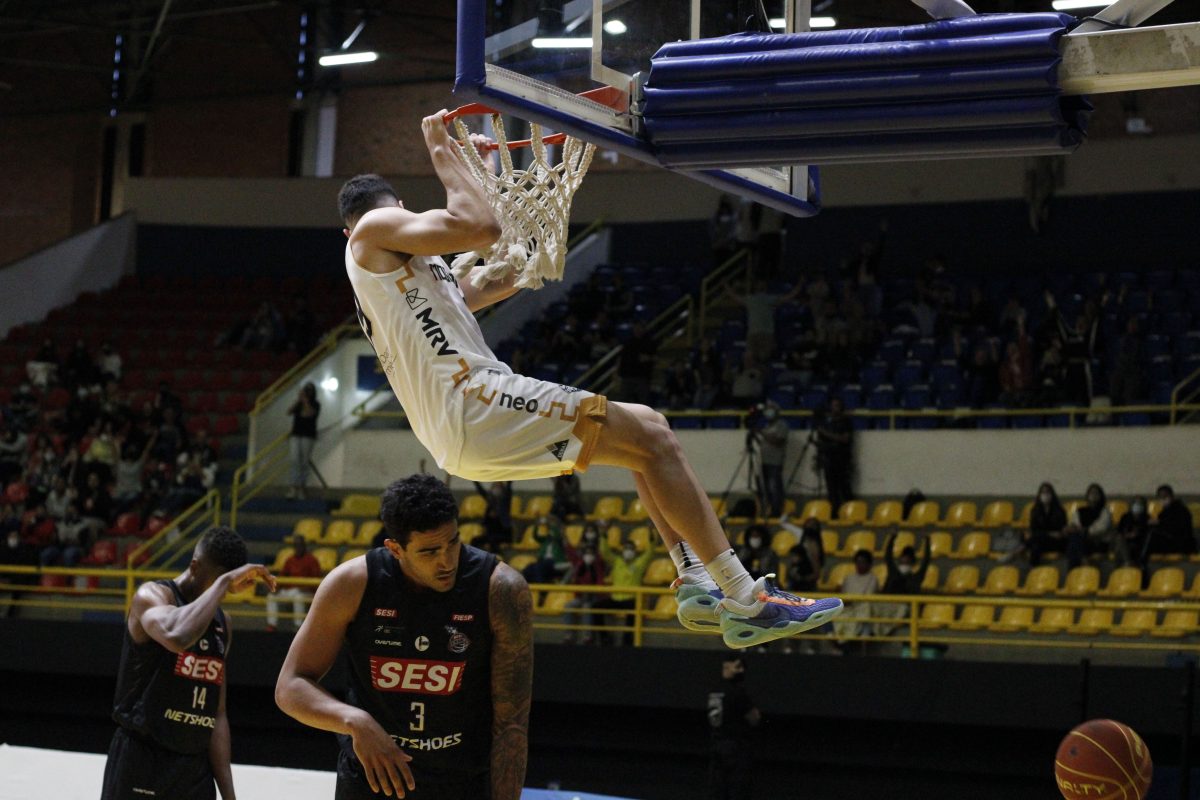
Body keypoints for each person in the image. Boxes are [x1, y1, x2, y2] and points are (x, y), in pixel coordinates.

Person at [337, 111, 841, 650]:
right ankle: (745, 599)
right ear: (385, 215)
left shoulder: (413, 274)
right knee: (652, 441)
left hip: (463, 426)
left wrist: (488, 176)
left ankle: (696, 577)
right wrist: (443, 150)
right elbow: (477, 228)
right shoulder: (370, 233)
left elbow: (495, 274)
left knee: (649, 432)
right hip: (473, 404)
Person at [275, 474, 532, 800]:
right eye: (429, 551)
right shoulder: (351, 584)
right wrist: (354, 720)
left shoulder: (501, 589)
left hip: (460, 782)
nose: (447, 561)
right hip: (371, 781)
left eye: (453, 542)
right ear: (395, 549)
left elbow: (512, 724)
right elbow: (290, 686)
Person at [100, 526, 276, 800]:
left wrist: (229, 794)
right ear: (194, 566)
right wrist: (222, 583)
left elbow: (217, 715)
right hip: (143, 758)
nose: (221, 592)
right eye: (218, 581)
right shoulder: (152, 596)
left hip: (193, 768)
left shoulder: (223, 624)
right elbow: (177, 636)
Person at [707, 656, 760, 800]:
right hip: (736, 748)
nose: (741, 670)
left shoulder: (715, 690)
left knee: (718, 789)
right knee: (738, 789)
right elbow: (754, 718)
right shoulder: (737, 692)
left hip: (717, 745)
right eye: (737, 667)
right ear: (727, 666)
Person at [596, 533, 655, 646]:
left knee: (633, 613)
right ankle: (604, 637)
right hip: (615, 599)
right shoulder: (616, 561)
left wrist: (652, 537)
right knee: (596, 607)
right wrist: (603, 535)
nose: (628, 551)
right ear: (622, 551)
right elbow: (604, 552)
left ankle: (627, 642)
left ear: (635, 551)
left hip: (631, 599)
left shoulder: (639, 563)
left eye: (631, 549)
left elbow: (650, 552)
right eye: (626, 548)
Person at [266, 534, 325, 632]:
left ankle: (298, 627)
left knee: (299, 597)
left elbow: (316, 580)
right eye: (296, 545)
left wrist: (307, 588)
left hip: (307, 592)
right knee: (271, 596)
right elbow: (282, 577)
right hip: (290, 590)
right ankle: (272, 625)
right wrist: (276, 588)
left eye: (300, 545)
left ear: (304, 546)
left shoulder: (312, 560)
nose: (298, 547)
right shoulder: (290, 560)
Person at [877, 534, 932, 635]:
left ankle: (887, 630)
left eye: (908, 559)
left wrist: (927, 542)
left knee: (902, 610)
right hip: (889, 605)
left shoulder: (916, 577)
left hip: (904, 608)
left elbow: (926, 562)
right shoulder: (894, 573)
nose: (905, 560)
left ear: (913, 561)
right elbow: (888, 557)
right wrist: (892, 539)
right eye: (903, 558)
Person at [833, 549, 878, 652]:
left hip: (862, 607)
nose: (860, 565)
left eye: (863, 562)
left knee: (866, 610)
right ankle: (838, 646)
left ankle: (864, 644)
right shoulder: (849, 578)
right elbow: (844, 595)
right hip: (848, 608)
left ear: (869, 564)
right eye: (858, 562)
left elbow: (868, 596)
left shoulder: (872, 578)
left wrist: (852, 601)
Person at [815, 398, 853, 515]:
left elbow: (845, 439)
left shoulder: (846, 421)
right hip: (828, 459)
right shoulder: (827, 422)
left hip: (842, 459)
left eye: (837, 405)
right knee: (831, 489)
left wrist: (826, 433)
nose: (835, 408)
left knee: (844, 487)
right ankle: (834, 512)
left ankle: (850, 511)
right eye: (833, 405)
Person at [1063, 483, 1115, 568]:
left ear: (1100, 496)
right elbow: (1074, 524)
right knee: (1074, 539)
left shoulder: (1104, 511)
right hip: (1082, 541)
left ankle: (1077, 565)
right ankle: (1082, 561)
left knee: (1074, 542)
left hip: (1098, 542)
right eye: (1091, 493)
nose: (1093, 495)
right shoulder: (1080, 511)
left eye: (1096, 493)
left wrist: (1084, 530)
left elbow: (1101, 528)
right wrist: (1072, 528)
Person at [755, 401, 789, 518]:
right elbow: (764, 442)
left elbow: (778, 441)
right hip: (764, 460)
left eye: (771, 409)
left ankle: (776, 510)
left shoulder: (781, 425)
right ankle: (769, 507)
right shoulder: (767, 426)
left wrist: (762, 433)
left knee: (775, 486)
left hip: (775, 461)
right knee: (767, 488)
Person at [287, 382, 320, 499]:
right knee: (294, 460)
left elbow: (309, 414)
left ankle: (302, 487)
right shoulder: (298, 404)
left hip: (308, 436)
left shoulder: (316, 404)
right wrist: (298, 400)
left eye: (309, 391)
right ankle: (293, 487)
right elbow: (289, 412)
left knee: (304, 462)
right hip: (296, 435)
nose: (307, 393)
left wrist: (305, 401)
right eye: (306, 390)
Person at [1147, 484, 1196, 557]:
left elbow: (1178, 528)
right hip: (1170, 541)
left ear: (1171, 496)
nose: (1162, 499)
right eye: (1160, 497)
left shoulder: (1181, 510)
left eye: (1165, 496)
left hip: (1181, 543)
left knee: (1152, 536)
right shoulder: (1164, 512)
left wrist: (1159, 523)